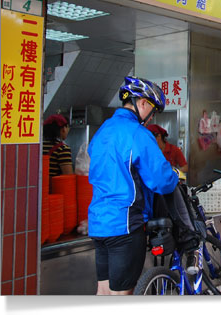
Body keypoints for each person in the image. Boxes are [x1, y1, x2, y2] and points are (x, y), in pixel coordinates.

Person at [88, 76, 179, 295]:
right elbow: (161, 180)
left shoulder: (103, 130)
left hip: (99, 223)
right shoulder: (137, 133)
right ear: (143, 103)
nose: (150, 117)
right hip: (125, 225)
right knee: (122, 294)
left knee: (103, 291)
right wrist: (175, 176)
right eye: (153, 110)